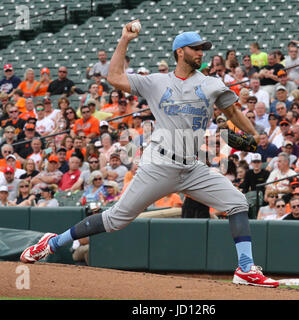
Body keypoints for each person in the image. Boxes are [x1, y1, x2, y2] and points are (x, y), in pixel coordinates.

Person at [20, 25, 278, 287]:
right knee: (116, 220)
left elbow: (232, 113)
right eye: (196, 48)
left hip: (192, 168)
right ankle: (52, 243)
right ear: (180, 52)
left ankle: (245, 268)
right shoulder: (156, 81)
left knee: (237, 203)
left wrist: (255, 135)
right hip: (159, 164)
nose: (201, 53)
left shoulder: (212, 84)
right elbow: (115, 76)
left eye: (203, 49)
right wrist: (124, 39)